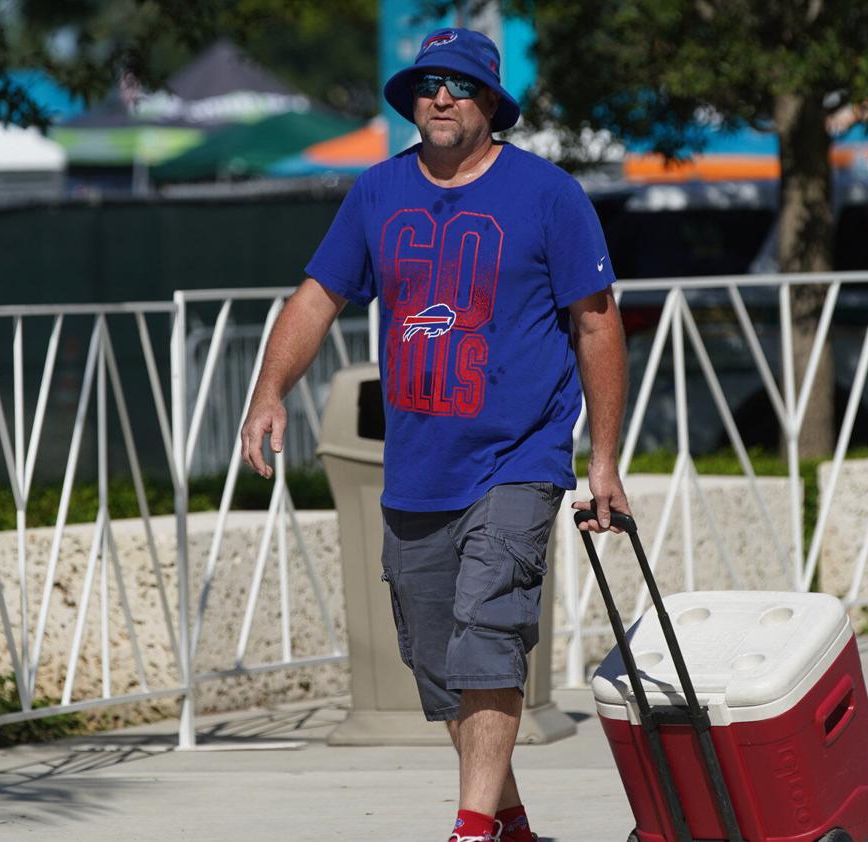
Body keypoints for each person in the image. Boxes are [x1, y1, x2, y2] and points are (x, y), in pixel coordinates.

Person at [239, 27, 631, 842]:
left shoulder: (549, 195)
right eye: (426, 84)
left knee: (488, 639)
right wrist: (268, 391)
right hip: (416, 467)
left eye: (458, 84)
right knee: (440, 667)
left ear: (491, 102)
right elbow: (317, 298)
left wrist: (602, 462)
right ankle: (510, 822)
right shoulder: (377, 193)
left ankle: (470, 829)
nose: (440, 96)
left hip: (518, 458)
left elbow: (597, 327)